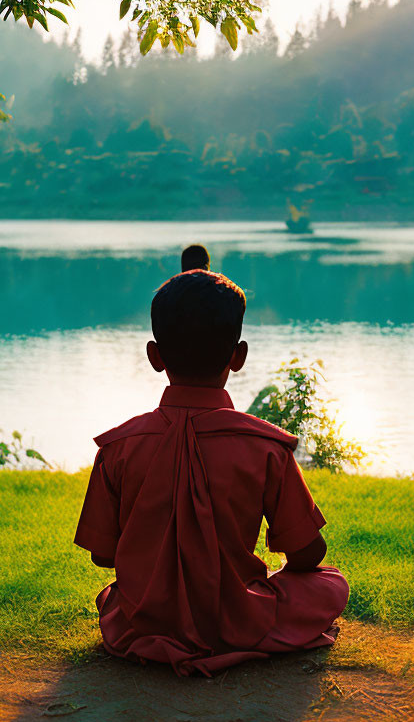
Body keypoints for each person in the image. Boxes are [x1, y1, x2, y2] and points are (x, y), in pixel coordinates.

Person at [74, 270, 348, 676]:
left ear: (155, 356)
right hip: (237, 620)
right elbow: (309, 553)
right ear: (238, 357)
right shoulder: (266, 447)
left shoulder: (118, 448)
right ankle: (243, 616)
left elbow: (104, 556)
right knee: (329, 583)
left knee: (114, 596)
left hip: (141, 622)